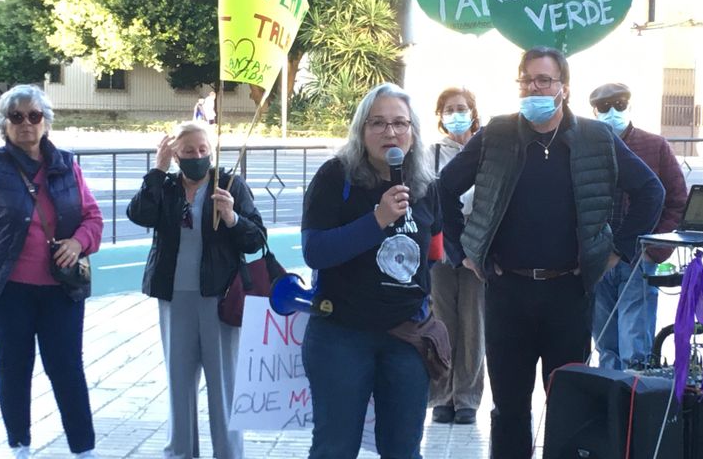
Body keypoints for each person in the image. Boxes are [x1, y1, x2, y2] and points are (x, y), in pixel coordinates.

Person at [439, 46, 665, 458]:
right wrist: (464, 252)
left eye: (544, 80)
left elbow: (652, 190)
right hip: (507, 292)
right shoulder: (497, 134)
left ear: (564, 87)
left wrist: (617, 252)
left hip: (570, 293)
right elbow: (443, 189)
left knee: (568, 405)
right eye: (527, 80)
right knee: (508, 408)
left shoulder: (596, 138)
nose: (534, 87)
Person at [300, 83, 443, 458]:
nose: (390, 132)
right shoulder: (335, 178)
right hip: (341, 335)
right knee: (335, 448)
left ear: (413, 132)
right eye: (377, 123)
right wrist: (377, 219)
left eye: (400, 123)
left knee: (404, 449)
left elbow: (434, 251)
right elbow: (315, 252)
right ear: (361, 131)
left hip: (406, 337)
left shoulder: (425, 184)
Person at [0, 85, 104, 459]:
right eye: (16, 117)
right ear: (4, 125)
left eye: (34, 116)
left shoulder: (66, 164)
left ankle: (83, 449)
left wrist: (79, 242)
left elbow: (93, 217)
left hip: (61, 290)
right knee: (14, 367)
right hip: (6, 290)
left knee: (66, 368)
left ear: (46, 122)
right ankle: (20, 445)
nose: (26, 124)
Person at [126, 121, 265, 459]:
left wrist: (232, 217)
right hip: (175, 297)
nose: (197, 156)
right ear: (175, 154)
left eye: (203, 150)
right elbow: (139, 214)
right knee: (180, 381)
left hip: (218, 297)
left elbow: (256, 239)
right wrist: (156, 172)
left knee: (223, 384)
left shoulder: (229, 185)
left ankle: (228, 453)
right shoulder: (167, 186)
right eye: (189, 151)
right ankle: (180, 451)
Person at [588, 82, 688, 371]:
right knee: (605, 345)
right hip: (597, 257)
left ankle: (632, 409)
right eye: (605, 107)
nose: (613, 111)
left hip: (637, 257)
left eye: (619, 104)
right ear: (594, 111)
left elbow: (677, 202)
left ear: (630, 106)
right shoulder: (586, 147)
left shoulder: (655, 145)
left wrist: (653, 249)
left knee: (635, 348)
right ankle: (610, 411)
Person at [428, 87, 485, 425]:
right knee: (442, 321)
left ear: (474, 112)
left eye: (462, 107)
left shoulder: (486, 151)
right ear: (440, 115)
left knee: (473, 321)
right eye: (449, 108)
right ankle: (442, 395)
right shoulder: (430, 153)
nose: (456, 113)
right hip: (439, 241)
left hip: (477, 240)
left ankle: (467, 397)